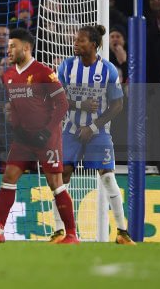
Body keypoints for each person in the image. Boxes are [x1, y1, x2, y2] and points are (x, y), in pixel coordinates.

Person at [0, 28, 79, 244]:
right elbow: (14, 106)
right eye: (8, 46)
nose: (9, 50)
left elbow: (62, 104)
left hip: (47, 138)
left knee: (55, 183)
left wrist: (47, 131)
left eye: (13, 46)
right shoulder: (9, 75)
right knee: (8, 178)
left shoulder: (43, 72)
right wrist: (17, 127)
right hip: (23, 138)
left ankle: (71, 234)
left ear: (26, 47)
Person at [54, 25, 132, 244]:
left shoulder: (108, 70)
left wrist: (94, 126)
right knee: (63, 175)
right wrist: (81, 104)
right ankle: (60, 231)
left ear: (94, 45)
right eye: (76, 40)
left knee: (107, 176)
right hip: (71, 129)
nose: (75, 43)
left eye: (81, 41)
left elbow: (117, 105)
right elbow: (57, 98)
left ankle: (122, 232)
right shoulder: (67, 66)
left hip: (98, 132)